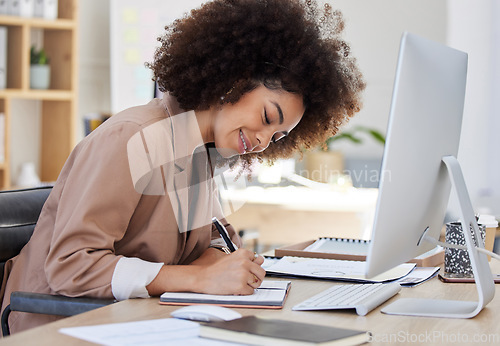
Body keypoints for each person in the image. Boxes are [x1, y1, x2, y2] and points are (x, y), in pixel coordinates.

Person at [0, 0, 364, 335]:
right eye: (268, 117)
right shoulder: (132, 138)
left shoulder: (201, 153)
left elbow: (213, 243)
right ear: (234, 80)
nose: (265, 140)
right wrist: (195, 278)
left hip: (131, 320)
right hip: (52, 326)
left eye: (278, 136)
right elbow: (70, 266)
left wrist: (219, 264)